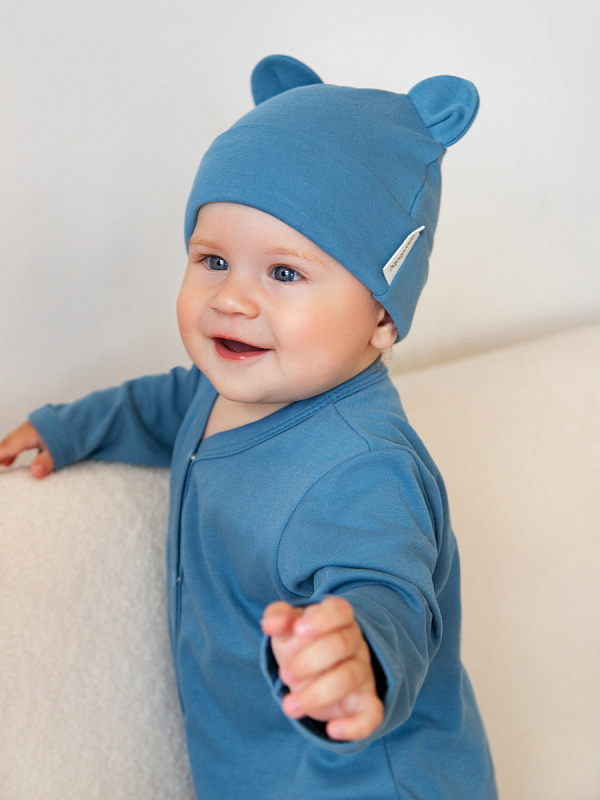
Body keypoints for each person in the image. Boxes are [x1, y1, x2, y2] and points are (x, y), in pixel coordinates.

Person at [0, 55, 497, 799]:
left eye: (283, 273)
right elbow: (165, 405)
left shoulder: (362, 466)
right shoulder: (225, 388)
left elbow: (388, 589)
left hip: (368, 783)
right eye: (213, 260)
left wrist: (356, 651)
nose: (232, 298)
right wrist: (70, 429)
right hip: (254, 770)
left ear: (383, 317)